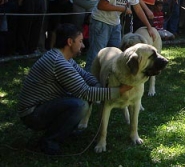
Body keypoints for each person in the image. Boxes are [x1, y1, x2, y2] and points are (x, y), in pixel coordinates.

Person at [18, 23, 132, 155]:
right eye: (80, 41)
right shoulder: (59, 63)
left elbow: (86, 76)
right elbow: (86, 93)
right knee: (80, 104)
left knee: (78, 100)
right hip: (32, 113)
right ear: (70, 42)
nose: (83, 46)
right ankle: (49, 142)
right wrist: (119, 91)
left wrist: (98, 86)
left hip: (41, 106)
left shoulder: (64, 58)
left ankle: (64, 130)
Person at [84, 0, 155, 71]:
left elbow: (138, 9)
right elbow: (101, 5)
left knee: (117, 53)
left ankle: (111, 77)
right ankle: (88, 80)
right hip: (100, 21)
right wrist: (123, 9)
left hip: (115, 23)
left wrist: (149, 27)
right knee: (96, 54)